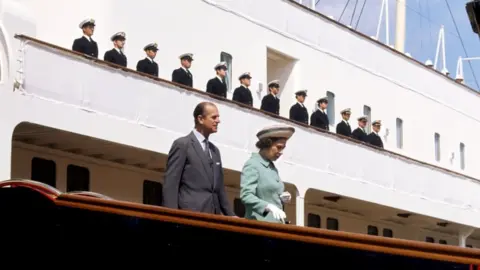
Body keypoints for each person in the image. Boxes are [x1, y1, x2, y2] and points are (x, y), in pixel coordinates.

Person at [162, 102, 235, 216]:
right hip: (190, 216)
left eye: (218, 117)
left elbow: (220, 190)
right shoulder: (182, 145)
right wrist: (171, 217)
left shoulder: (215, 151)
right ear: (200, 119)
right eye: (214, 117)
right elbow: (171, 184)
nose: (218, 121)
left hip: (213, 218)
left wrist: (232, 216)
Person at [240, 125, 295, 224]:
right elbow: (246, 195)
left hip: (274, 226)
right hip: (259, 225)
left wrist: (281, 198)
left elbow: (269, 194)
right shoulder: (253, 164)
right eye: (278, 147)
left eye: (283, 148)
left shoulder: (271, 167)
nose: (281, 152)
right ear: (267, 144)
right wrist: (267, 206)